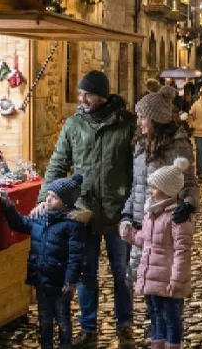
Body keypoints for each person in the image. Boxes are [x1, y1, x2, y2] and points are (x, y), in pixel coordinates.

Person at [40, 70, 137, 347]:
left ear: (102, 95)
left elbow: (137, 168)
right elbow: (58, 163)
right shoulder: (73, 125)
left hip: (119, 210)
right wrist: (45, 198)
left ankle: (125, 325)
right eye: (80, 93)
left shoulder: (126, 124)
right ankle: (89, 326)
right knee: (85, 271)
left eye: (88, 94)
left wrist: (137, 206)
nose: (81, 99)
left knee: (122, 271)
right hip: (84, 211)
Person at [0, 175, 89, 349]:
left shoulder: (72, 225)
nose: (48, 199)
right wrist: (8, 206)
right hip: (42, 280)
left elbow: (75, 256)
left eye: (54, 197)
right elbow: (20, 223)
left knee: (62, 317)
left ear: (66, 202)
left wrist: (70, 281)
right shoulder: (41, 217)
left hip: (62, 283)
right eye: (48, 194)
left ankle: (65, 345)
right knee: (44, 318)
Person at [125, 85, 198, 291]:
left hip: (165, 227)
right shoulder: (140, 145)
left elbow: (190, 182)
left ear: (155, 119)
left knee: (163, 285)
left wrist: (189, 204)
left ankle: (161, 324)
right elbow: (136, 185)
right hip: (143, 225)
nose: (138, 123)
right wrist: (128, 214)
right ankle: (153, 323)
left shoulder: (177, 145)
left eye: (142, 117)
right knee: (146, 282)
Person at [119, 158, 195, 349]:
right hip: (152, 278)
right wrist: (130, 234)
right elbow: (145, 241)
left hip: (168, 281)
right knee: (156, 317)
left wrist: (176, 281)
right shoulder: (151, 213)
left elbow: (182, 252)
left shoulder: (177, 218)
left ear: (167, 190)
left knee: (171, 319)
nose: (150, 191)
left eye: (153, 187)